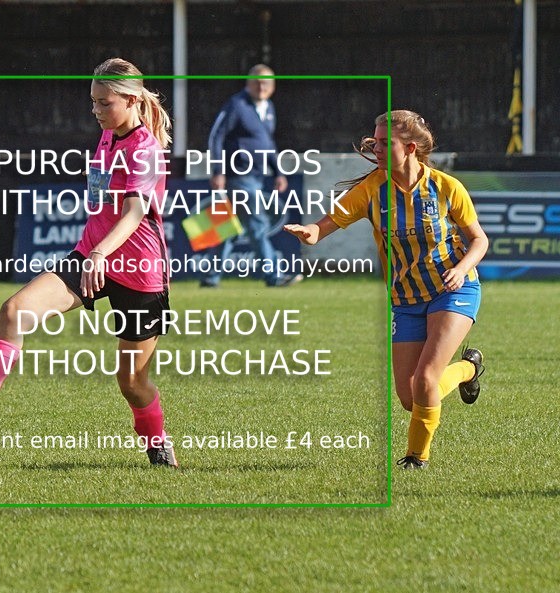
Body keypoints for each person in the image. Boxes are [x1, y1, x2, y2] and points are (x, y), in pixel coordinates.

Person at [0, 58, 178, 468]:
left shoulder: (145, 150)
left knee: (131, 382)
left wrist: (100, 253)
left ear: (130, 100)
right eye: (92, 102)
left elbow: (134, 212)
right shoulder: (107, 136)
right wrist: (94, 252)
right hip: (92, 256)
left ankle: (158, 443)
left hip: (140, 273)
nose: (96, 110)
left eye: (104, 103)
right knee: (14, 311)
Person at [284, 110, 488, 470]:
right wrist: (311, 233)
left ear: (409, 148)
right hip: (406, 299)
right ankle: (469, 371)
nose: (374, 148)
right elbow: (328, 223)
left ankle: (415, 458)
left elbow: (479, 241)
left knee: (426, 379)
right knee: (412, 398)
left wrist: (461, 268)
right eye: (375, 141)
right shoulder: (372, 190)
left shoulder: (445, 187)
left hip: (452, 290)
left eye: (383, 143)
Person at [200, 64, 302, 288]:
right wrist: (217, 170)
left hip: (256, 176)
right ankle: (274, 277)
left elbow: (267, 144)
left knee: (228, 229)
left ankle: (210, 278)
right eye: (257, 81)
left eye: (266, 82)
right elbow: (216, 136)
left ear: (273, 86)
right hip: (238, 176)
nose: (261, 86)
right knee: (257, 224)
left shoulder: (268, 108)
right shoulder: (237, 105)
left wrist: (278, 172)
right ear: (248, 83)